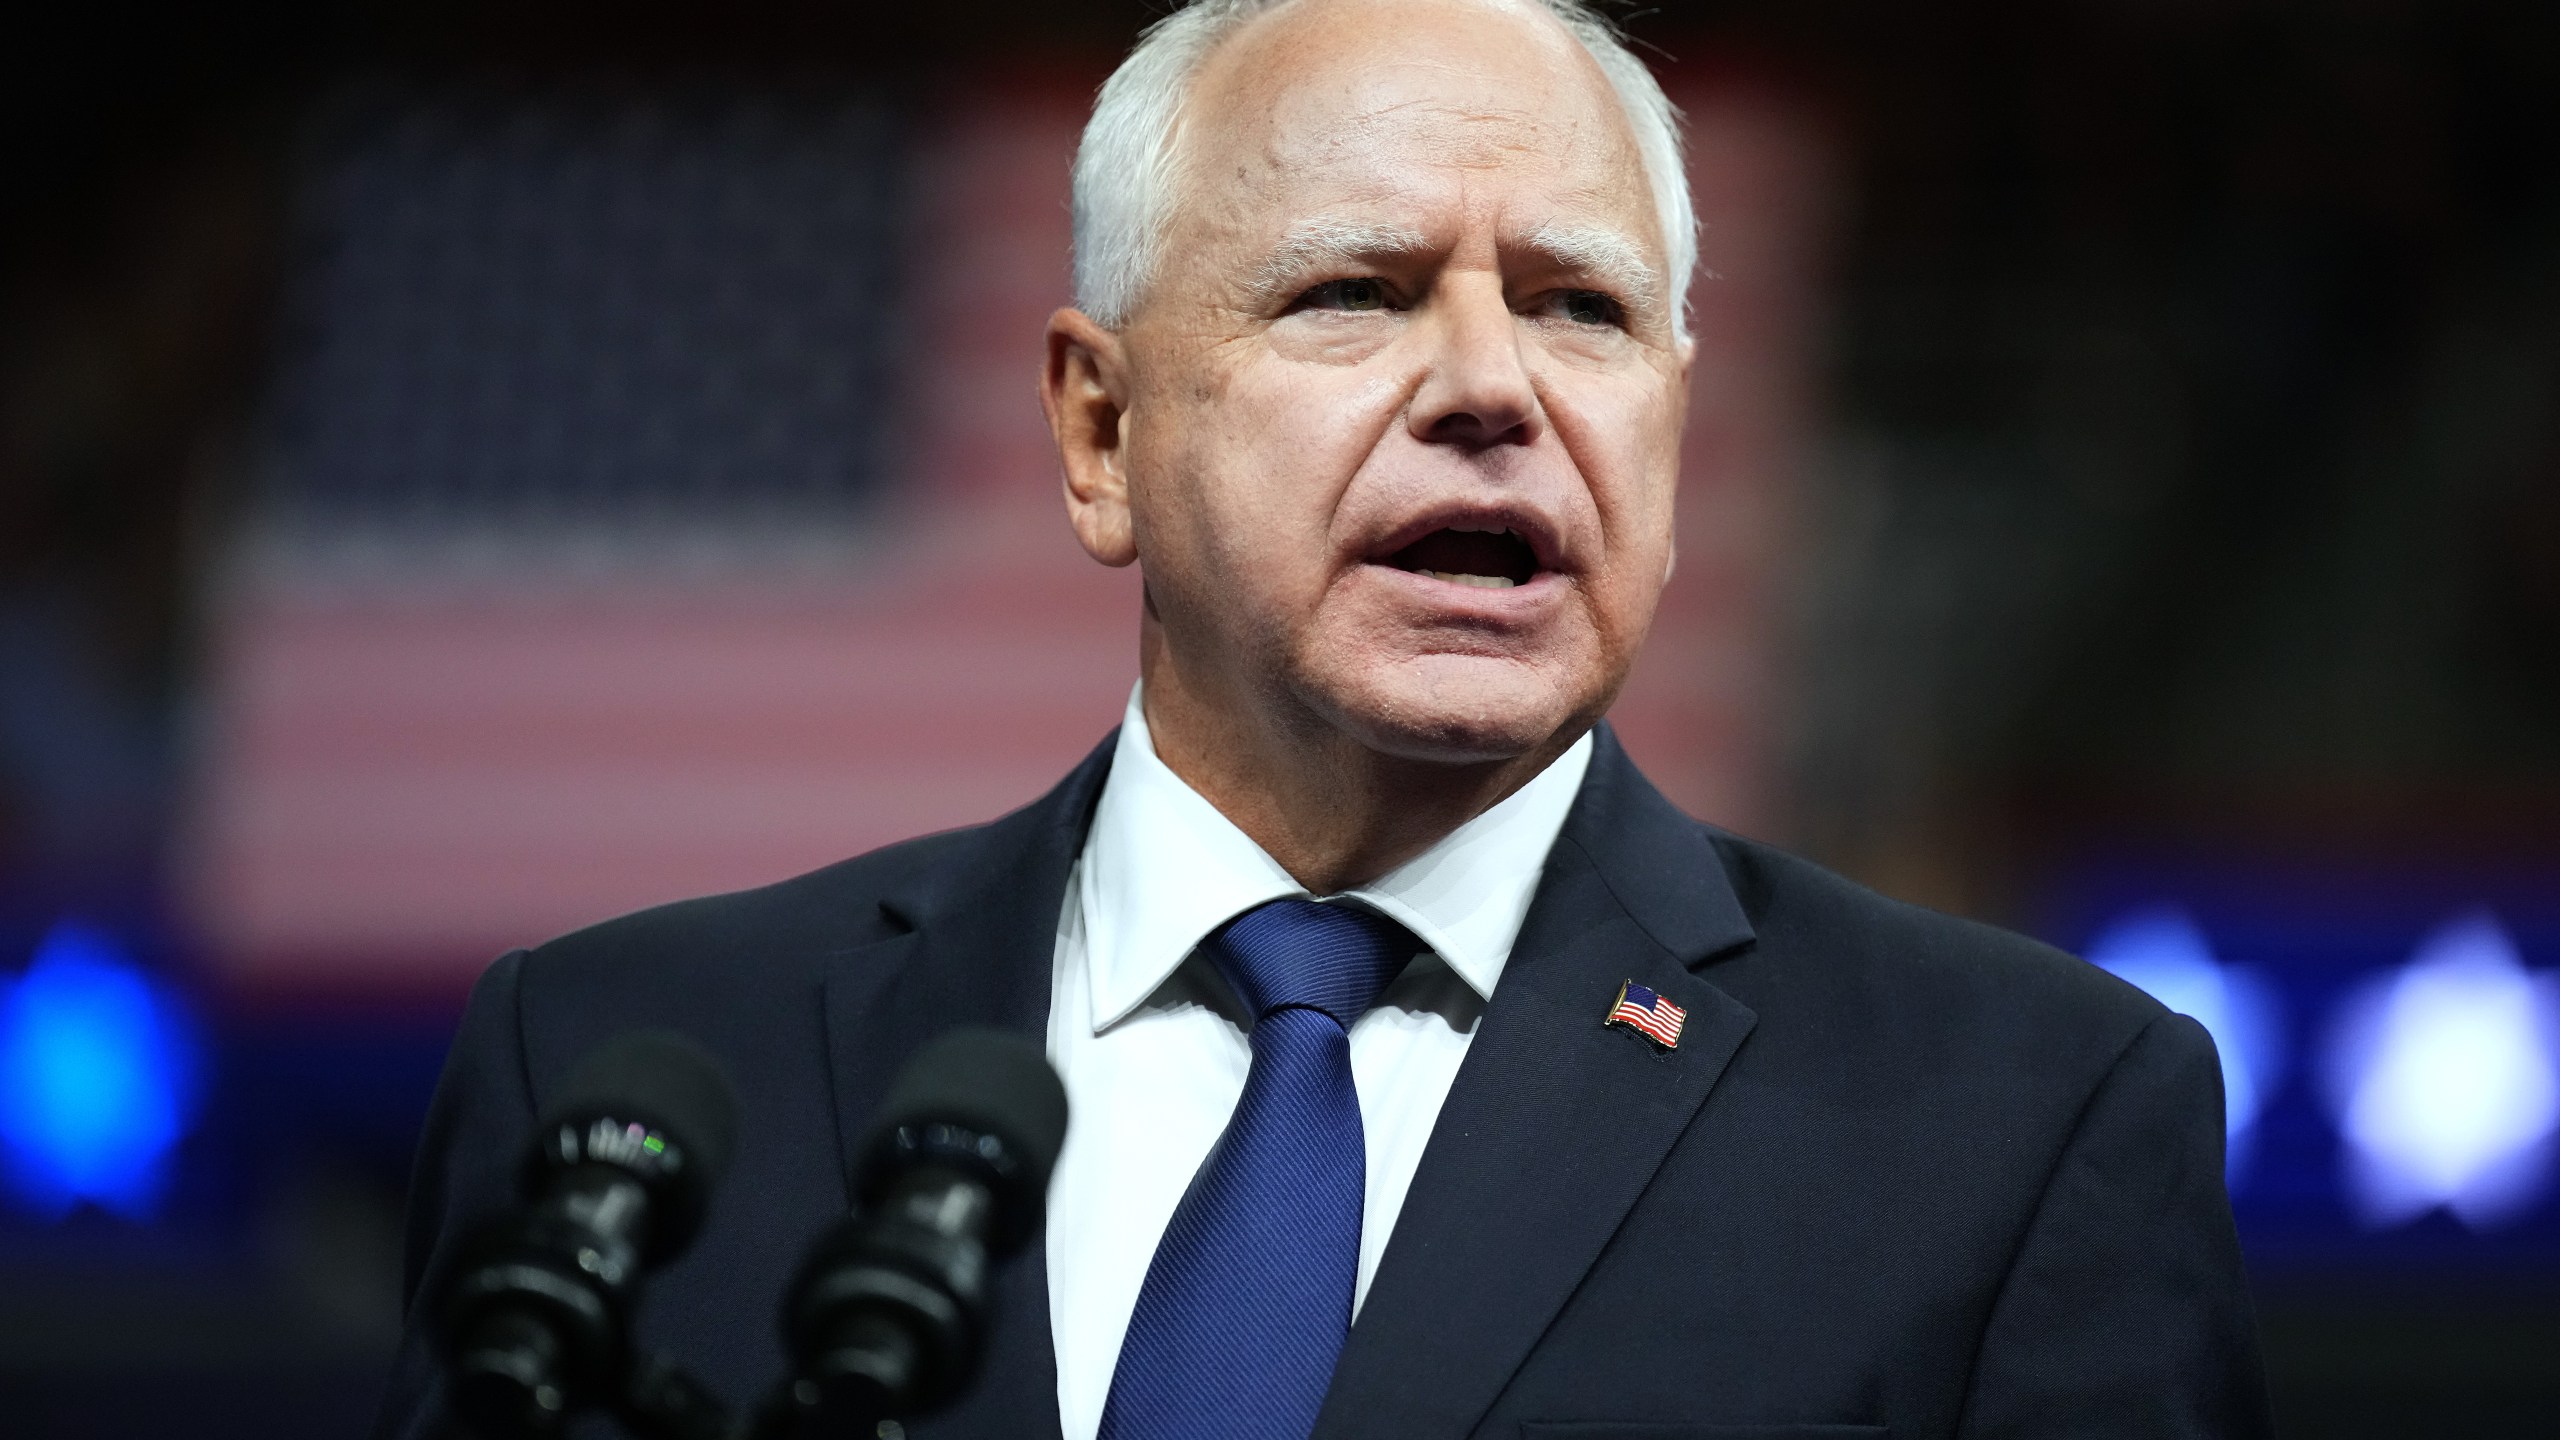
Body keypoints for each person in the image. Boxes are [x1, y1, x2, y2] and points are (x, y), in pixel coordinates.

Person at [378, 0, 2273, 1436]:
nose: (1492, 388)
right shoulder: (619, 1066)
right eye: (1355, 292)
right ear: (1100, 431)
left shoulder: (2018, 1125)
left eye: (1583, 310)